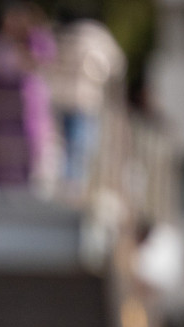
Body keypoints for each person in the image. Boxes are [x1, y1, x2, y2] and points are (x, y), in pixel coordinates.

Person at [48, 9, 125, 193]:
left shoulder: (65, 34)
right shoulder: (98, 37)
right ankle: (74, 187)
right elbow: (116, 65)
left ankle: (66, 184)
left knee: (66, 144)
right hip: (86, 100)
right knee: (82, 146)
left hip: (62, 96)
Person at [0, 2, 57, 190]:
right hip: (5, 112)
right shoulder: (1, 43)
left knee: (32, 154)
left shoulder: (37, 41)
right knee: (5, 155)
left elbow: (45, 60)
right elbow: (2, 65)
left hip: (30, 113)